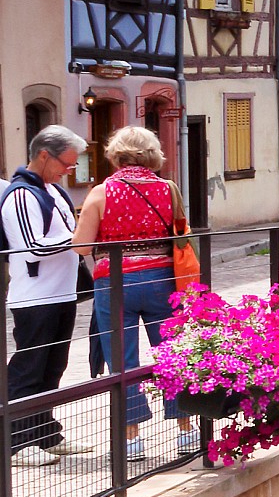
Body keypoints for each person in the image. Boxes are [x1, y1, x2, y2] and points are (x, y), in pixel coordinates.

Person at [71, 126, 194, 460]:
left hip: (115, 284)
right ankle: (185, 430)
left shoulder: (101, 193)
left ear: (116, 156)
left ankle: (131, 439)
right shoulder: (168, 189)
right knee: (172, 354)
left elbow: (81, 247)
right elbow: (180, 233)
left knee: (122, 360)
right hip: (162, 281)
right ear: (153, 155)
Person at [3, 126, 88, 466]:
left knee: (53, 369)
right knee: (29, 369)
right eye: (66, 163)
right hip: (35, 298)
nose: (69, 170)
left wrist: (79, 236)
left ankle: (45, 435)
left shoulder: (54, 191)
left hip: (61, 294)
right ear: (43, 155)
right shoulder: (21, 195)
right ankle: (15, 443)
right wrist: (81, 237)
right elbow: (33, 247)